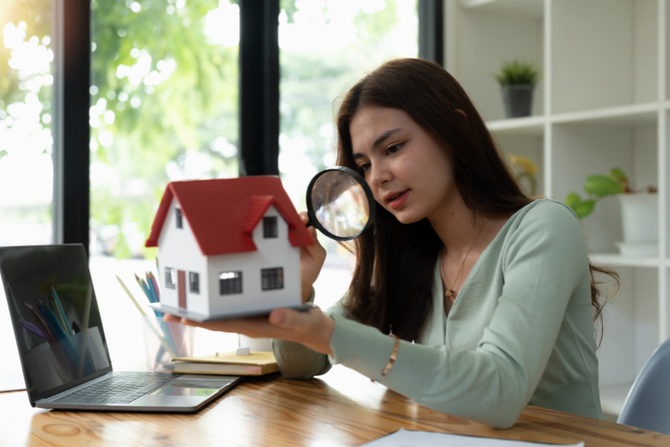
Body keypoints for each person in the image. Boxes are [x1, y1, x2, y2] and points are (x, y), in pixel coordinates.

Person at [166, 58, 615, 429]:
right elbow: (303, 365)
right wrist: (296, 290)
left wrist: (325, 331)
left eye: (394, 148)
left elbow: (500, 391)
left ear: (452, 132)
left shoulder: (544, 228)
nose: (376, 176)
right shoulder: (412, 260)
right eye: (362, 165)